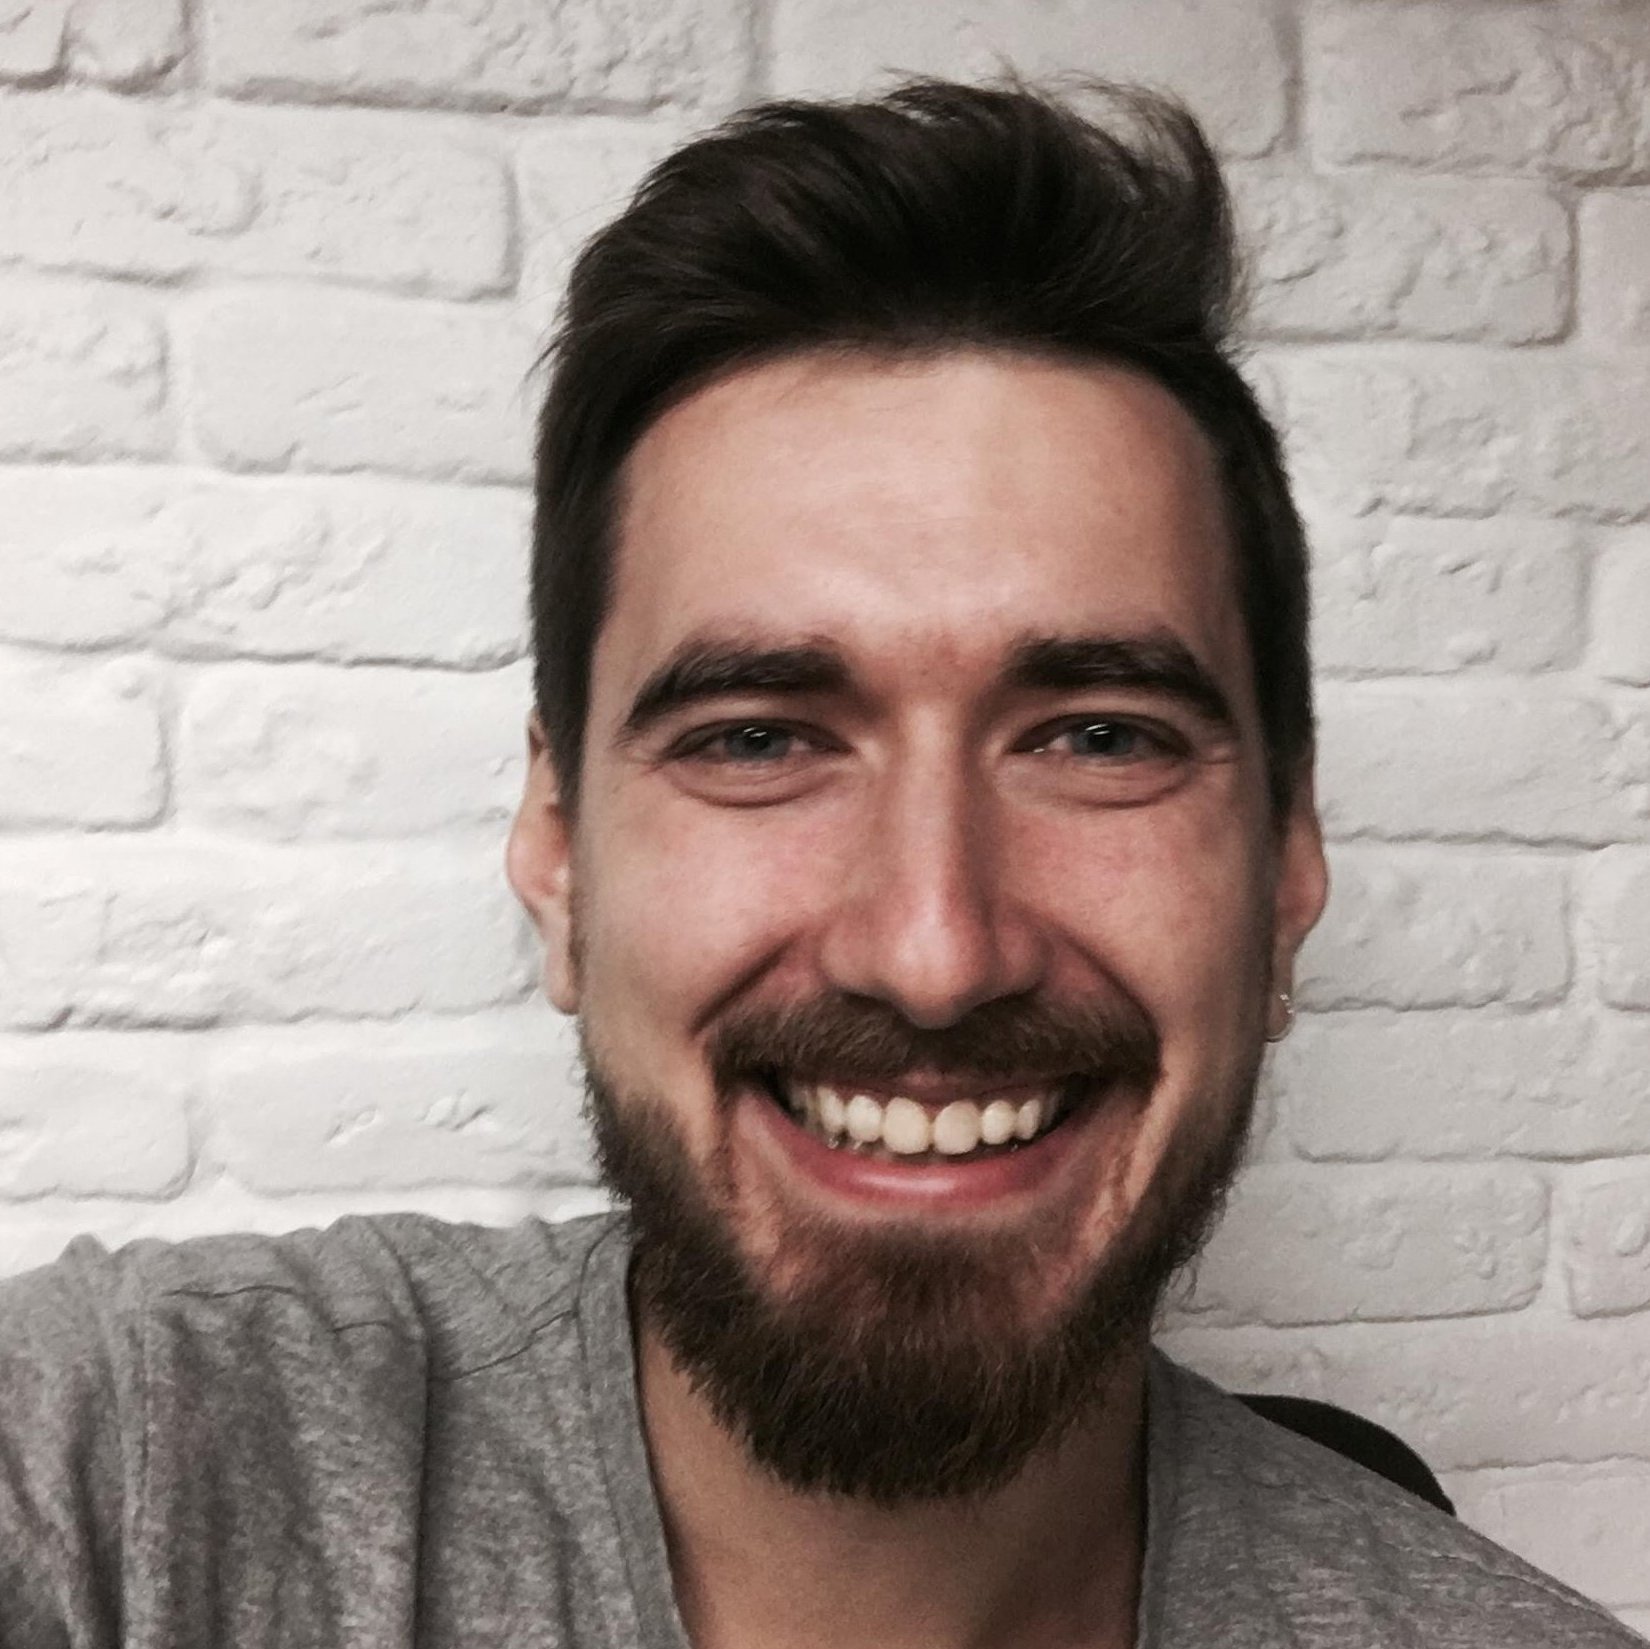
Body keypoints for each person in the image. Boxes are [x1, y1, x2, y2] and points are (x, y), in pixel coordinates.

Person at [0, 78, 1639, 1649]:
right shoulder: (137, 1470)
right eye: (755, 737)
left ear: (1285, 869)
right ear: (558, 858)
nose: (933, 951)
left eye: (1097, 736)